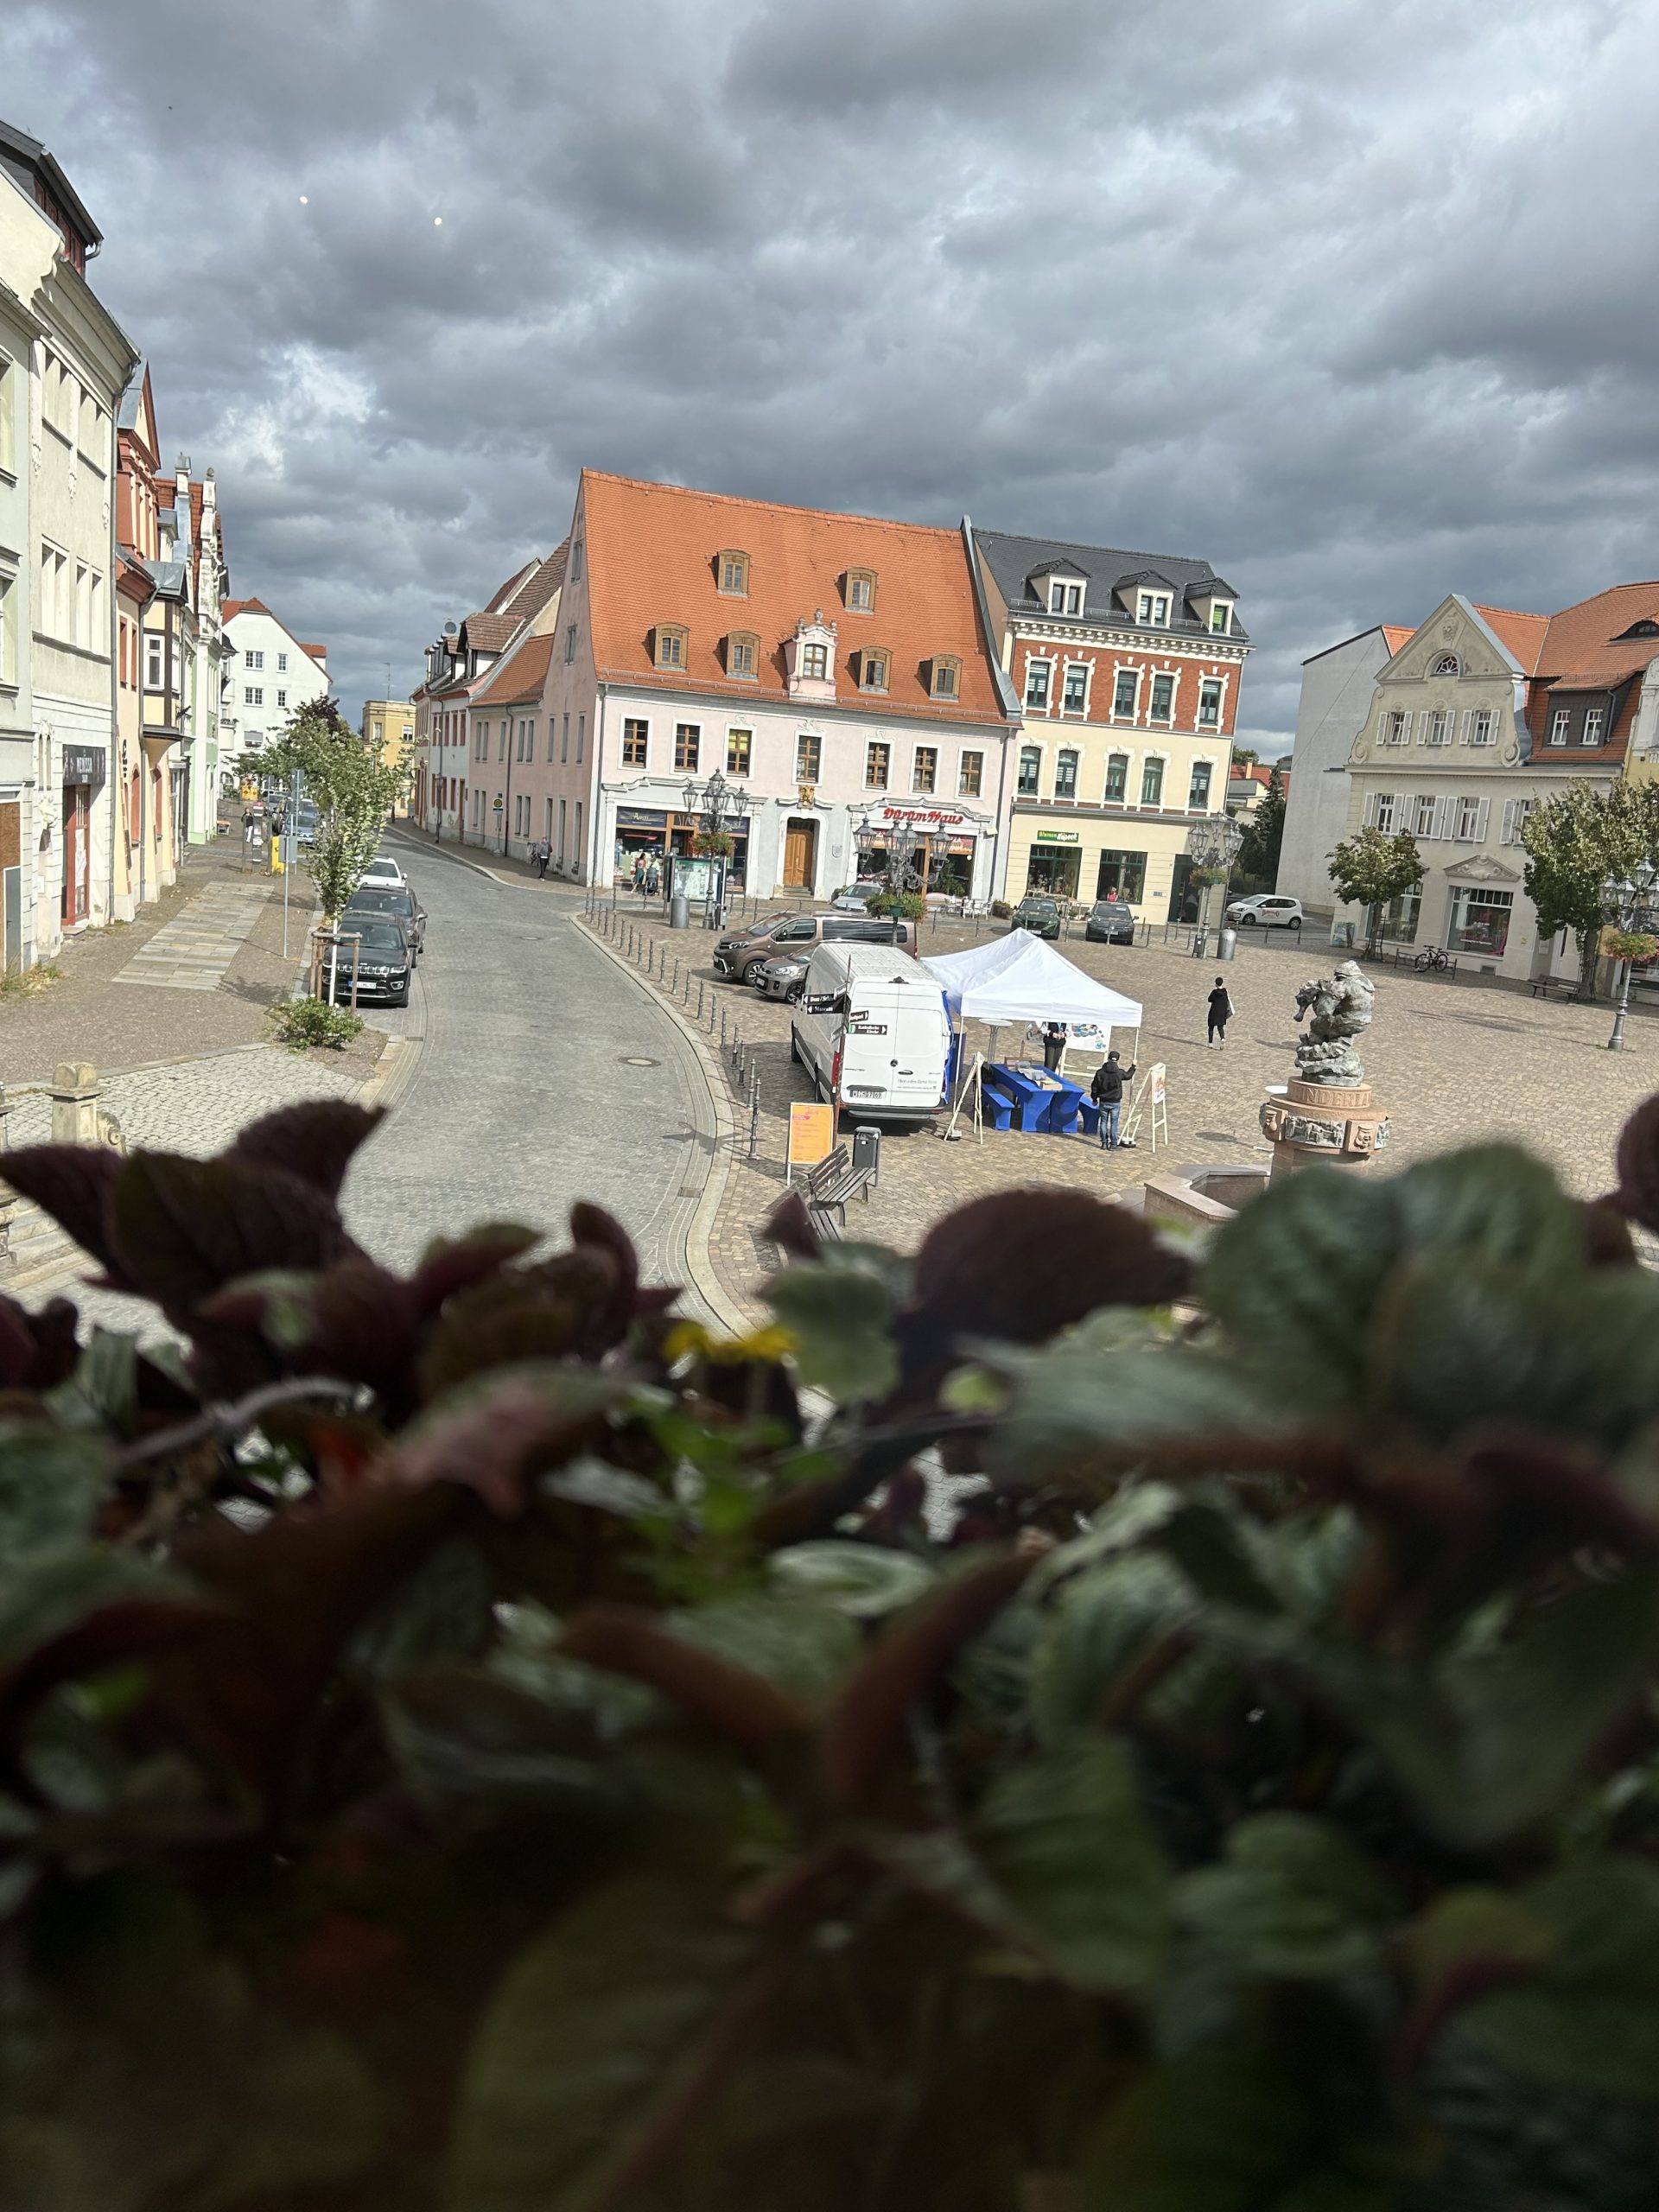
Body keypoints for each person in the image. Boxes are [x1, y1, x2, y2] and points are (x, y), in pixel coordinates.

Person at [1090, 1050, 1135, 1148]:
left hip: (1103, 1101)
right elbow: (1128, 1076)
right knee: (1114, 1123)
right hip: (1115, 1102)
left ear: (1108, 1058)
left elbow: (1094, 1087)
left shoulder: (1100, 1073)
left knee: (1103, 1122)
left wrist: (1094, 1099)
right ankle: (1114, 1143)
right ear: (1117, 1060)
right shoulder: (1119, 1073)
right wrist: (1133, 1067)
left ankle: (1104, 1142)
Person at [1207, 975, 1234, 1047]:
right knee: (1220, 1027)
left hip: (1214, 1011)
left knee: (1211, 1027)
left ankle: (1210, 1043)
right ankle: (1222, 1038)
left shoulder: (1214, 992)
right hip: (1222, 1012)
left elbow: (1209, 999)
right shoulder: (1225, 992)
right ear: (1222, 983)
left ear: (1216, 983)